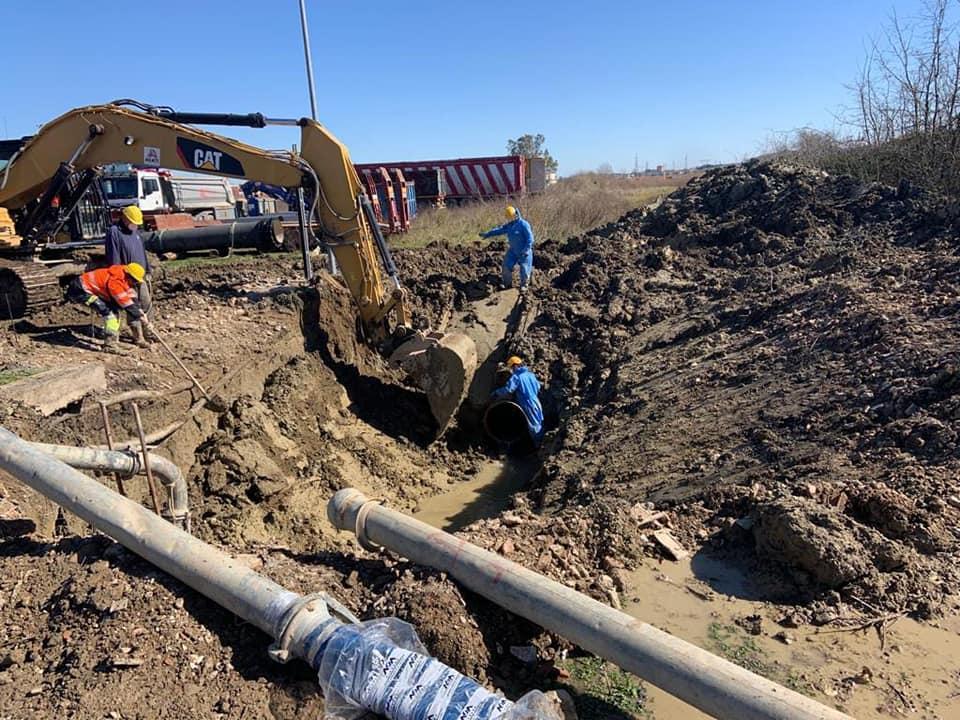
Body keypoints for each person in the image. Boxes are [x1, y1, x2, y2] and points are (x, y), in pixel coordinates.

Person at [66, 263, 152, 354]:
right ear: (130, 276)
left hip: (88, 288)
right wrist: (140, 317)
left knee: (115, 312)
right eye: (135, 281)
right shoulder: (115, 282)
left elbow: (131, 296)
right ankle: (110, 346)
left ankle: (114, 341)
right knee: (110, 315)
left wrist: (140, 311)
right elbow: (125, 303)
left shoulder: (123, 275)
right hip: (80, 291)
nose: (135, 283)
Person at [105, 205, 153, 346]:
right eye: (132, 222)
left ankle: (148, 333)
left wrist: (148, 270)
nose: (135, 225)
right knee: (132, 305)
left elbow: (142, 252)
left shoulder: (136, 233)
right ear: (124, 218)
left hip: (141, 276)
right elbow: (114, 257)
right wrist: (119, 277)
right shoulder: (114, 232)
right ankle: (138, 337)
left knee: (146, 304)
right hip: (127, 277)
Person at [479, 205, 534, 292]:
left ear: (516, 214)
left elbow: (530, 239)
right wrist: (488, 234)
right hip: (513, 250)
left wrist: (526, 249)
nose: (511, 220)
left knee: (524, 268)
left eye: (512, 217)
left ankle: (524, 285)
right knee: (506, 265)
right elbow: (499, 230)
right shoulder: (509, 226)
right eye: (509, 218)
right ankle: (507, 283)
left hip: (524, 251)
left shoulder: (524, 224)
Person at [491, 356, 544, 446]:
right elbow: (538, 386)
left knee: (534, 426)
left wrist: (496, 393)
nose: (511, 370)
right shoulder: (530, 374)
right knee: (539, 422)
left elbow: (508, 389)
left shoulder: (516, 377)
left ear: (515, 366)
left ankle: (539, 447)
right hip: (536, 401)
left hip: (528, 403)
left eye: (511, 368)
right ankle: (543, 445)